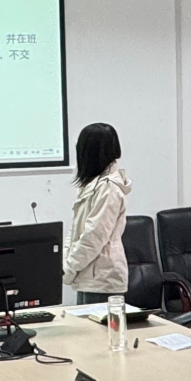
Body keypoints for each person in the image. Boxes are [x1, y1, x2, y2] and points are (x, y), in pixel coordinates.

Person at [64, 122, 130, 303]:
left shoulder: (109, 188)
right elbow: (76, 229)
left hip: (103, 279)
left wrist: (69, 269)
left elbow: (93, 237)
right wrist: (66, 262)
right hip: (88, 276)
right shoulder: (94, 184)